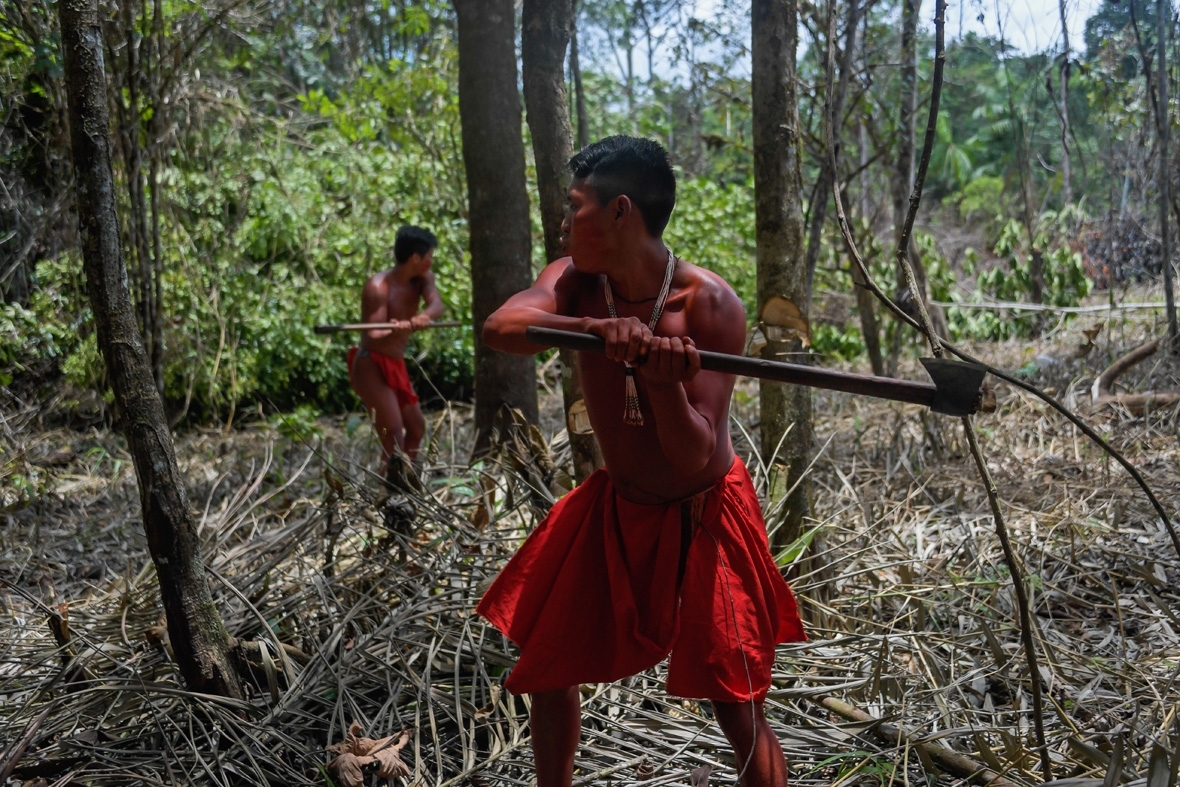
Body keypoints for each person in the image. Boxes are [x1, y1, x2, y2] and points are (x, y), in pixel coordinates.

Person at [477, 136, 807, 787]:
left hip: (704, 513)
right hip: (617, 505)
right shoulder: (574, 281)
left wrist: (661, 380)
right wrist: (594, 332)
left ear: (620, 210)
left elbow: (694, 451)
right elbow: (502, 327)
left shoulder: (709, 305)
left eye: (575, 208)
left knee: (735, 702)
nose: (566, 223)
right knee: (551, 663)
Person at [348, 225, 445, 479]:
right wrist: (397, 330)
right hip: (370, 365)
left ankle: (406, 479)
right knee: (392, 428)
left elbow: (437, 305)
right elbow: (372, 336)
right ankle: (389, 488)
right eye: (428, 256)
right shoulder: (379, 287)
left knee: (415, 427)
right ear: (415, 259)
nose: (430, 261)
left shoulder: (423, 279)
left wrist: (423, 317)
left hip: (395, 363)